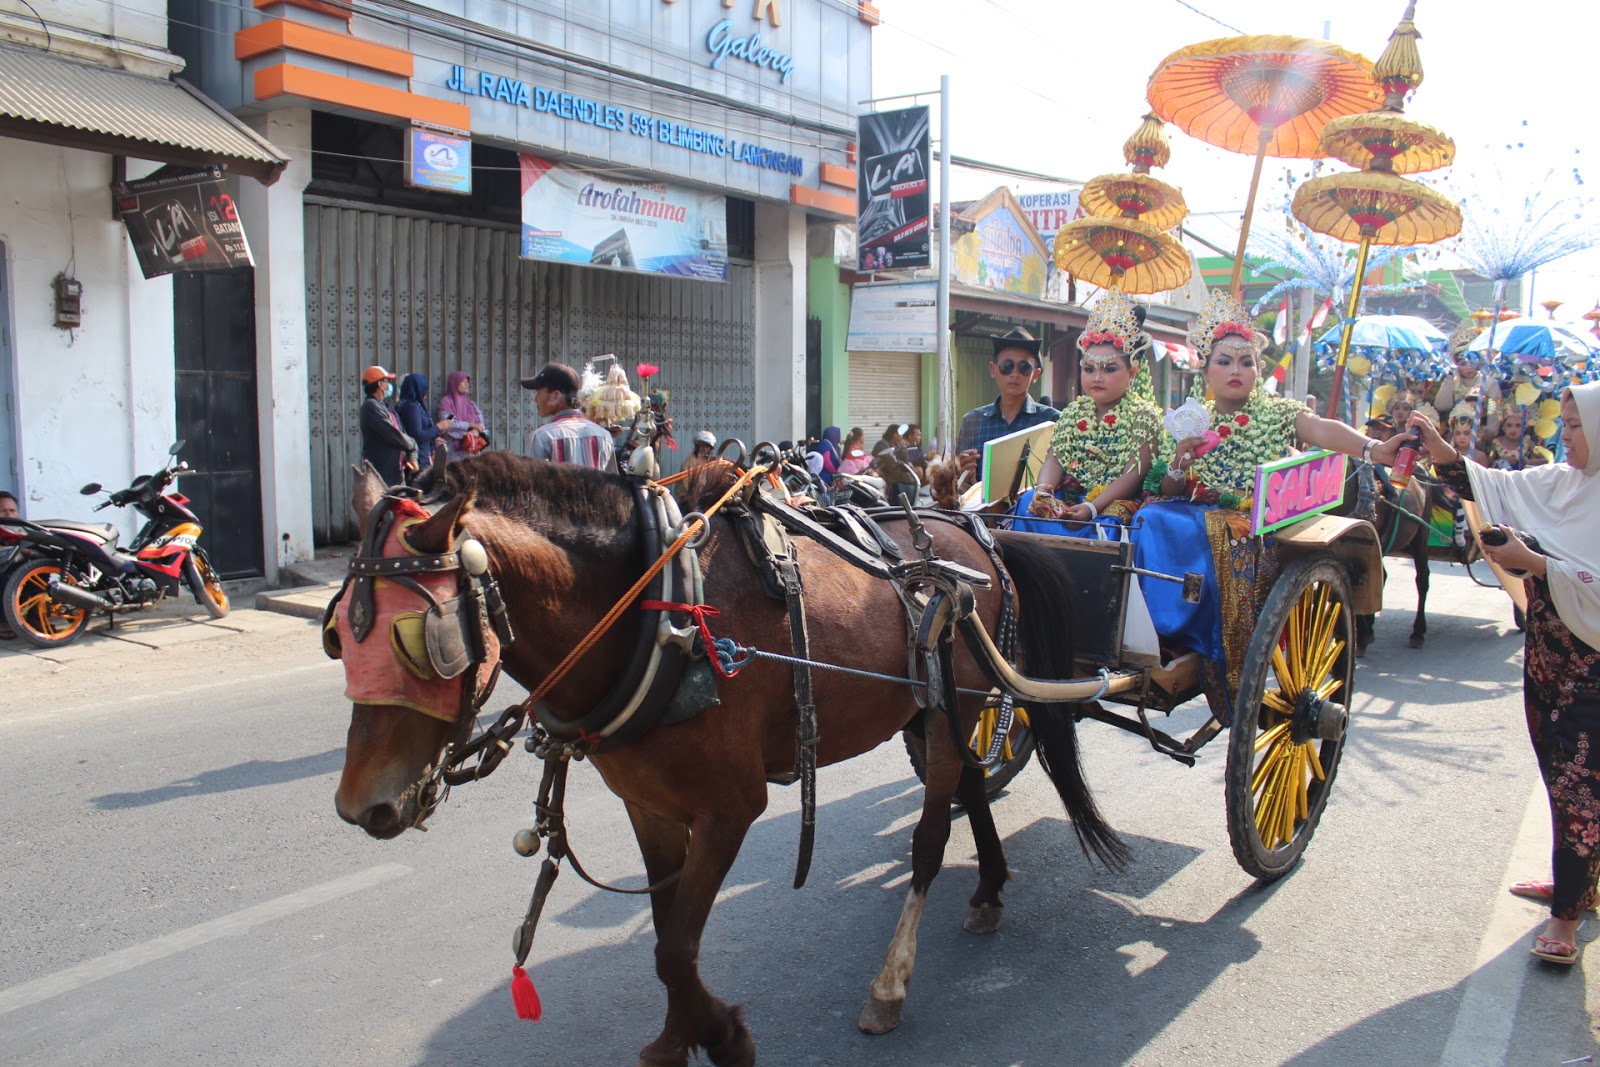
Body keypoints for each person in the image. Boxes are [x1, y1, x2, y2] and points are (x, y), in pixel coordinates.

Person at [1401, 384, 1600, 966]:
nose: (1565, 433)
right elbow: (1489, 486)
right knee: (1559, 775)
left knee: (1579, 788)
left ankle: (1565, 920)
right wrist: (1440, 448)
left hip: (1591, 671)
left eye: (1577, 424)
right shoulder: (1558, 482)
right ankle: (1578, 886)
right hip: (1545, 661)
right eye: (1563, 422)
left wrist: (1536, 563)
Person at [1136, 291, 1410, 692]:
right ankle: (1158, 633)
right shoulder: (1188, 420)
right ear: (1206, 372)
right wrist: (1181, 459)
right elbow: (1167, 487)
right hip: (1193, 511)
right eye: (1224, 361)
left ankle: (1207, 640)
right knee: (1149, 517)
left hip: (1253, 521)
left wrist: (1373, 449)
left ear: (1257, 372)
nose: (1236, 370)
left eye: (1246, 362)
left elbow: (1323, 430)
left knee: (1210, 532)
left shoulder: (1278, 413)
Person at [1012, 288, 1163, 535]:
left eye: (1110, 369)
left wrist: (1092, 507)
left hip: (1112, 503)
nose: (1097, 378)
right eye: (1090, 369)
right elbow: (1054, 459)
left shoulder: (1144, 416)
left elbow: (1132, 477)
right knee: (1027, 504)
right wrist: (1043, 491)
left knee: (1111, 523)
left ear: (1132, 373)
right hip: (1070, 496)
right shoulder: (1074, 412)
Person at [955, 328, 1060, 481]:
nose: (1014, 374)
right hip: (982, 505)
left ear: (1036, 374)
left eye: (1024, 367)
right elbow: (960, 484)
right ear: (993, 369)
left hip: (1031, 504)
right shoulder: (972, 421)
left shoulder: (1052, 421)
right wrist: (961, 469)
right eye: (1007, 366)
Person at [521, 362, 615, 470]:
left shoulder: (542, 437)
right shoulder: (604, 435)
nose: (535, 400)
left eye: (538, 393)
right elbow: (613, 483)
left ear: (555, 396)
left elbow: (532, 482)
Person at [358, 365, 416, 487]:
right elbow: (393, 435)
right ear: (380, 384)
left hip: (396, 471)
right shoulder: (370, 407)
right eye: (387, 381)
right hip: (382, 473)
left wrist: (411, 455)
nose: (390, 384)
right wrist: (412, 445)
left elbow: (401, 432)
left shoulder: (386, 407)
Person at [395, 374, 444, 473]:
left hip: (417, 457)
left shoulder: (404, 404)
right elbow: (417, 436)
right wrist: (438, 427)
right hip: (418, 460)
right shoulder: (412, 407)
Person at [438, 371, 490, 463]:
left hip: (472, 452)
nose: (466, 384)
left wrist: (476, 431)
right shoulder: (448, 403)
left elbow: (480, 423)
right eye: (463, 381)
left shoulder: (471, 405)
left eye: (467, 382)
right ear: (455, 383)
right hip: (454, 453)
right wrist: (470, 426)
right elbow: (449, 423)